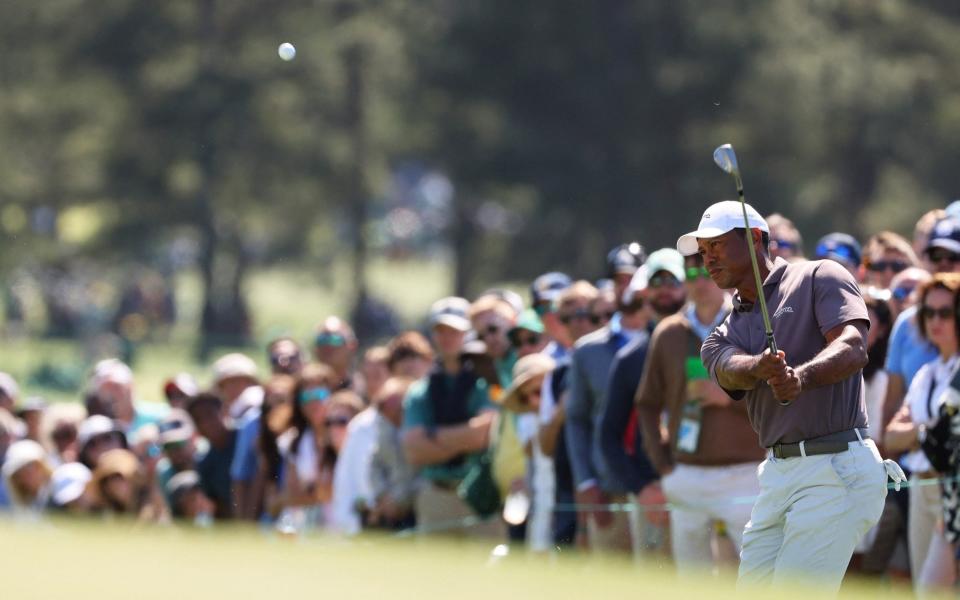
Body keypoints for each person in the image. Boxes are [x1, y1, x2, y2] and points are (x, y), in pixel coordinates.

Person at [683, 201, 891, 591]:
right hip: (777, 475)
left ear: (756, 239)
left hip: (836, 465)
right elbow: (728, 368)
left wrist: (802, 376)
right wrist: (760, 368)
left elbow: (853, 346)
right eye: (703, 250)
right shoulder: (721, 333)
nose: (708, 260)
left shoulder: (819, 276)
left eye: (717, 246)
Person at [637, 250, 764, 574]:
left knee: (756, 574)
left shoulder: (750, 323)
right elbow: (647, 403)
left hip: (745, 472)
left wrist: (728, 400)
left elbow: (773, 393)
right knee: (692, 581)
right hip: (687, 472)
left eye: (707, 272)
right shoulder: (667, 333)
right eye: (691, 274)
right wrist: (664, 464)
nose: (700, 282)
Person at [566, 260, 659, 554]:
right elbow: (577, 420)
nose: (625, 286)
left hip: (656, 485)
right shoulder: (587, 350)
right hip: (609, 489)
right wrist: (587, 482)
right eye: (618, 279)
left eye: (632, 278)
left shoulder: (669, 339)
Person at [884, 273, 960, 591]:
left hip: (953, 493)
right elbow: (890, 437)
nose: (936, 320)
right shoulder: (925, 375)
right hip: (920, 487)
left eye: (946, 312)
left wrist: (915, 434)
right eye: (928, 312)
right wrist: (928, 431)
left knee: (935, 589)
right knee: (923, 588)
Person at [401, 297, 499, 538]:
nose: (447, 337)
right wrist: (465, 436)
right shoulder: (420, 390)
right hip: (437, 494)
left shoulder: (487, 380)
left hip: (480, 492)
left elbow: (484, 435)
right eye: (441, 331)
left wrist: (433, 437)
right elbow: (414, 450)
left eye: (455, 331)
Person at [594, 265, 665, 557]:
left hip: (708, 486)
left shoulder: (715, 343)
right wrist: (641, 488)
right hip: (650, 489)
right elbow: (608, 435)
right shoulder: (632, 358)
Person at [883, 218, 960, 439]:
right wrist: (928, 433)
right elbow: (891, 413)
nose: (943, 263)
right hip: (913, 468)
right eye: (936, 256)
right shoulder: (925, 374)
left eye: (953, 256)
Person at [538, 280, 602, 548]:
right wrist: (561, 412)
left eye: (583, 313)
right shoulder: (555, 375)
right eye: (567, 318)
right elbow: (544, 444)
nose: (576, 323)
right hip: (568, 485)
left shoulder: (619, 359)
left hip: (608, 480)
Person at [277, 363, 342, 531]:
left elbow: (332, 491)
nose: (313, 403)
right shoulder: (292, 441)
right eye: (306, 397)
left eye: (320, 394)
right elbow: (292, 494)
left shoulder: (346, 433)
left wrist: (309, 493)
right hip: (305, 528)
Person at [211, 353, 263, 520]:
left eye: (243, 381)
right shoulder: (216, 424)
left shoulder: (256, 416)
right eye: (231, 383)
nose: (238, 387)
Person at [366, 377, 418, 530]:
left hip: (418, 503)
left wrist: (400, 500)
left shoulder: (418, 427)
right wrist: (383, 496)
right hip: (392, 509)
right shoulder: (384, 430)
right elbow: (374, 465)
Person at [185, 393, 237, 519]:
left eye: (210, 415)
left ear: (224, 412)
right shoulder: (204, 463)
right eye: (198, 419)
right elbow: (218, 506)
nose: (205, 423)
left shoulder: (245, 440)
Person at [90, 448, 165, 521]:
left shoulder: (153, 506)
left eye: (118, 477)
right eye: (107, 480)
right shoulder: (107, 515)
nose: (114, 484)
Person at [1, 439, 51, 516]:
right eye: (18, 473)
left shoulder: (56, 497)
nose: (24, 476)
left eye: (29, 466)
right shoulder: (12, 503)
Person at [530, 272, 573, 360]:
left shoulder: (599, 345)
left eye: (554, 305)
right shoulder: (544, 361)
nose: (549, 315)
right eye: (540, 309)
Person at [313, 316, 359, 391]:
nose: (327, 346)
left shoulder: (366, 389)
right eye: (322, 340)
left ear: (352, 345)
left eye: (334, 340)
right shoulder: (304, 390)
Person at [644, 248, 689, 321]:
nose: (664, 289)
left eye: (672, 281)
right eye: (656, 281)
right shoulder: (637, 329)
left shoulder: (704, 329)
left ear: (686, 285)